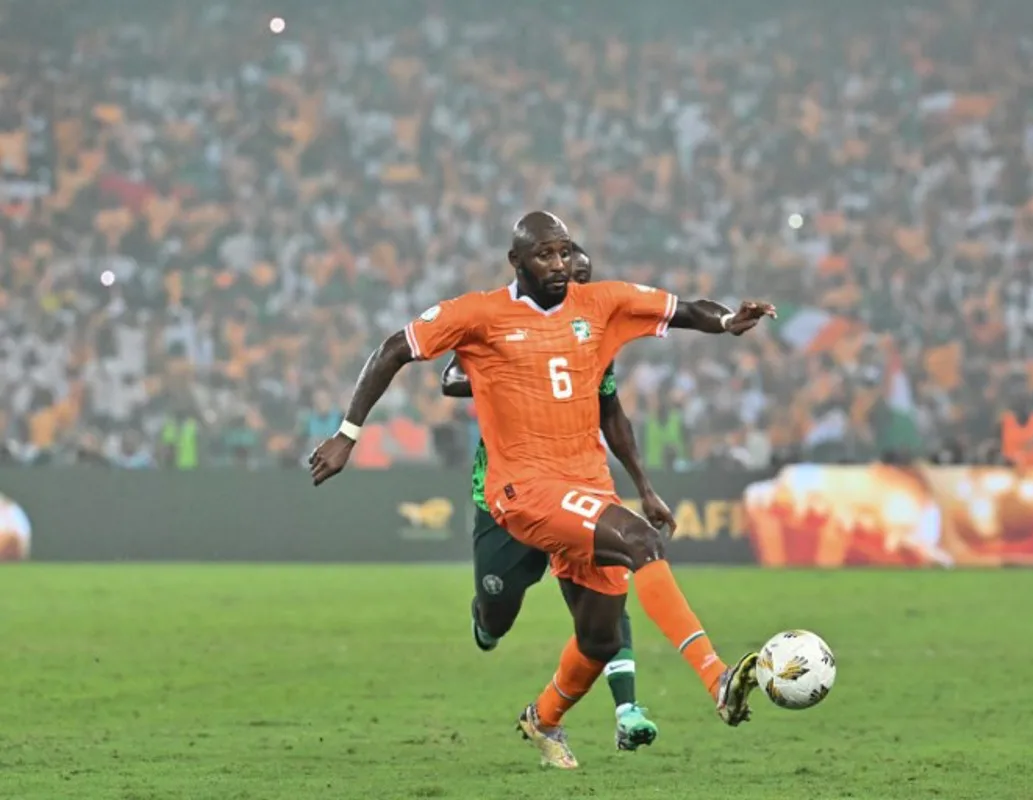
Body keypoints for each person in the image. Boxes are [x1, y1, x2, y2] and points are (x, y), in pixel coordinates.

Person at [309, 211, 775, 769]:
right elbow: (393, 350)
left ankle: (544, 718)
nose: (557, 265)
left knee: (600, 639)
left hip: (588, 486)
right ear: (516, 262)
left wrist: (727, 322)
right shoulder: (479, 314)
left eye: (563, 252)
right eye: (544, 255)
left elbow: (682, 310)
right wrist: (347, 434)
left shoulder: (600, 304)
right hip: (524, 489)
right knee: (640, 544)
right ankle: (717, 679)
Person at [440, 241, 675, 752]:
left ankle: (625, 707)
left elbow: (613, 416)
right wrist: (514, 373)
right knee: (499, 611)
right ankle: (486, 618)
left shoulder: (592, 341)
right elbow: (450, 375)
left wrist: (644, 489)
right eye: (567, 276)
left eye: (579, 278)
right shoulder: (506, 328)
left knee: (608, 586)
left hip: (579, 485)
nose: (572, 284)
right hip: (512, 493)